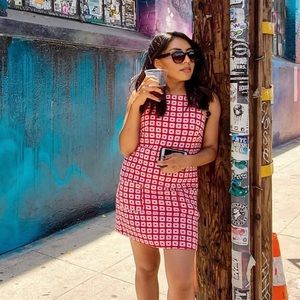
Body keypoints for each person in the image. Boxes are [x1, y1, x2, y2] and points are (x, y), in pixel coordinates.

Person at [115, 31, 221, 300]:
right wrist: (136, 103)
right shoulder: (142, 98)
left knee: (183, 283)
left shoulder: (206, 101)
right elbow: (126, 148)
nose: (187, 61)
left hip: (180, 195)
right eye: (178, 55)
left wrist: (188, 161)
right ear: (158, 62)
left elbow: (211, 150)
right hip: (138, 190)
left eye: (191, 55)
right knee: (147, 268)